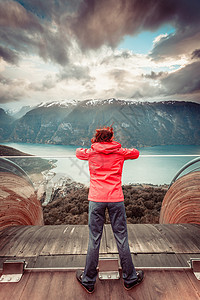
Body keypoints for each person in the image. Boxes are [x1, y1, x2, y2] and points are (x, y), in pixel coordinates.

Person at [76, 125, 144, 294]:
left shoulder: (91, 152)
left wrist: (94, 144)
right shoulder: (120, 151)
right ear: (111, 137)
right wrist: (117, 147)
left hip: (96, 199)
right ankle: (130, 278)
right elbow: (135, 152)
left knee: (94, 239)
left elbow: (78, 152)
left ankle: (88, 280)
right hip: (115, 199)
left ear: (97, 138)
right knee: (121, 238)